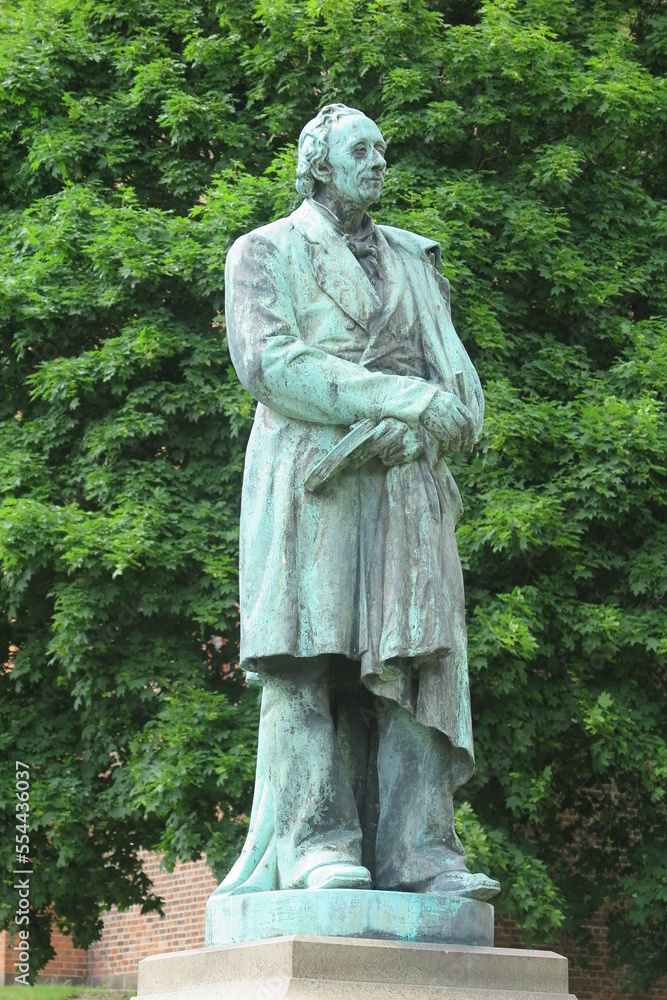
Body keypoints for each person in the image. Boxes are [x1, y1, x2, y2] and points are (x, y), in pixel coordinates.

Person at [218, 104, 500, 900]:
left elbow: (457, 380)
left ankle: (422, 853)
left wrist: (439, 421)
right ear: (318, 167)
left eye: (382, 149)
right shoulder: (263, 252)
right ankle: (314, 843)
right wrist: (402, 398)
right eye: (361, 150)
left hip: (408, 481)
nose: (379, 162)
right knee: (306, 662)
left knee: (418, 667)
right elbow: (273, 365)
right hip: (314, 480)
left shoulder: (416, 258)